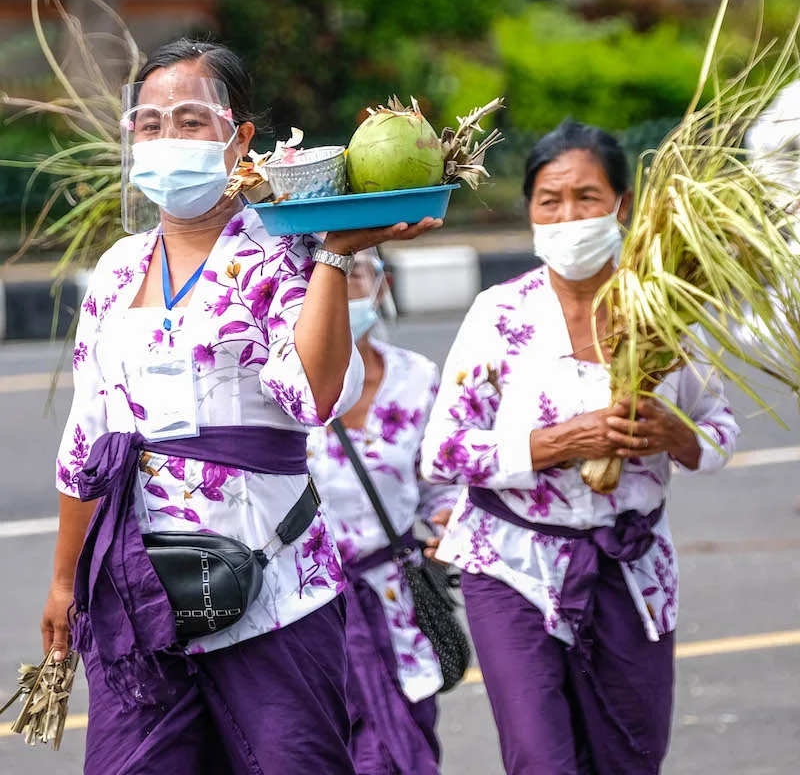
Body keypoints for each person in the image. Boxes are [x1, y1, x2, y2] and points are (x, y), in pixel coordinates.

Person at [40, 39, 441, 774]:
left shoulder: (278, 254)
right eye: (151, 124)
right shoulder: (118, 267)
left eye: (191, 121)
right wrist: (67, 579)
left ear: (239, 139)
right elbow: (87, 438)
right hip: (135, 595)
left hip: (274, 590)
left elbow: (314, 395)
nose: (167, 139)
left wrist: (336, 253)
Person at [420, 119, 740, 775]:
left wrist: (675, 436)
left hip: (629, 567)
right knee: (541, 759)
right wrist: (558, 442)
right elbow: (444, 453)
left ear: (621, 205)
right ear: (531, 211)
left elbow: (720, 430)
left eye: (588, 197)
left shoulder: (666, 313)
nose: (569, 215)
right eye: (550, 200)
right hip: (510, 567)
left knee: (630, 757)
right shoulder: (499, 314)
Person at [307, 251, 459, 775]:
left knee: (406, 745)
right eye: (328, 275)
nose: (342, 289)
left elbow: (438, 485)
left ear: (381, 284)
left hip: (399, 609)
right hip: (309, 610)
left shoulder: (419, 379)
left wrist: (448, 525)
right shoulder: (278, 385)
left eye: (355, 274)